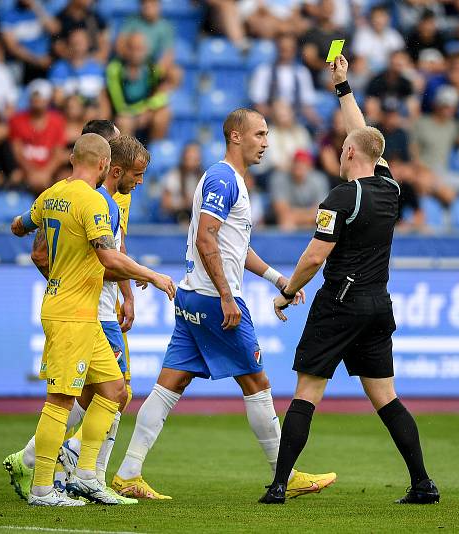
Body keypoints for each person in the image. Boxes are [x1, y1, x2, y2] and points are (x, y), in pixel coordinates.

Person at [111, 108, 336, 501]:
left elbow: (236, 246)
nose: (266, 142)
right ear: (235, 136)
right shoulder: (221, 178)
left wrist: (277, 278)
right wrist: (229, 297)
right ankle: (284, 474)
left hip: (192, 295)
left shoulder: (233, 180)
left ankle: (128, 472)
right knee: (257, 382)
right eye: (259, 134)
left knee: (170, 383)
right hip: (216, 300)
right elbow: (205, 239)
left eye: (267, 135)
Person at [258, 54, 439, 505]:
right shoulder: (390, 188)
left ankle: (279, 485)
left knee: (306, 393)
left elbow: (315, 256)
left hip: (339, 303)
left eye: (343, 147)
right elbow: (363, 136)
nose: (340, 150)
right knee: (387, 399)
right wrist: (344, 89)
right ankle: (422, 484)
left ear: (351, 153)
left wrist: (287, 289)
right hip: (378, 305)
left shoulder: (340, 197)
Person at [8, 132, 176, 506]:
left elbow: (20, 225)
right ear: (103, 165)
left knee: (115, 392)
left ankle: (86, 476)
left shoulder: (50, 195)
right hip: (72, 313)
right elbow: (109, 257)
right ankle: (41, 489)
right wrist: (151, 275)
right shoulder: (94, 202)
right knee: (60, 400)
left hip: (77, 311)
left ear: (73, 158)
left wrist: (23, 226)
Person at [8, 79, 67, 193]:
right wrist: (31, 172)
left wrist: (46, 173)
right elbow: (17, 152)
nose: (37, 101)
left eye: (41, 98)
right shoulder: (17, 120)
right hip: (25, 171)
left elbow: (58, 152)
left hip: (49, 173)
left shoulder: (57, 120)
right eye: (35, 97)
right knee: (15, 176)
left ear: (48, 100)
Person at [269, 149, 330, 230]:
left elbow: (323, 212)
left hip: (306, 219)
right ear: (291, 164)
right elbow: (282, 211)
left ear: (309, 166)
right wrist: (309, 215)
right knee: (286, 221)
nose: (299, 166)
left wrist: (298, 217)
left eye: (303, 163)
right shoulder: (279, 178)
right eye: (297, 163)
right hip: (288, 220)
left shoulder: (319, 179)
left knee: (324, 222)